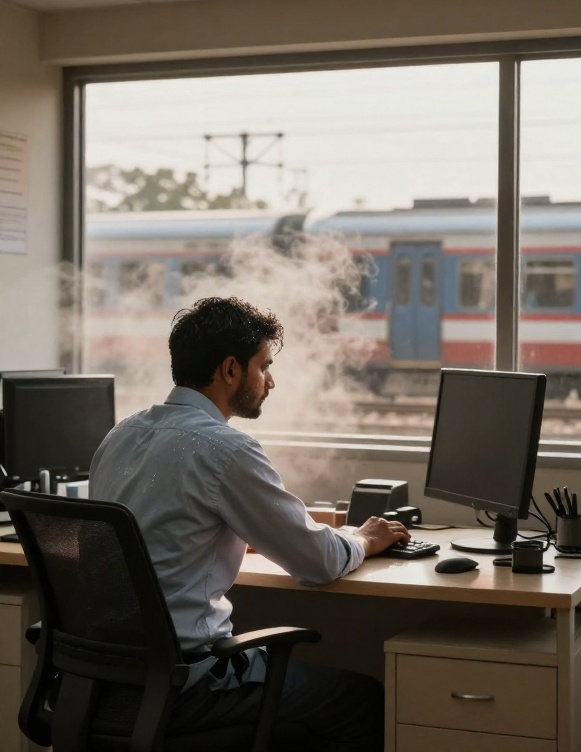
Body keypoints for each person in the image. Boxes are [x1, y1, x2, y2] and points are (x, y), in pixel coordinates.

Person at [88, 296, 410, 750]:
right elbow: (318, 563)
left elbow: (160, 533)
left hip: (103, 683)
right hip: (188, 685)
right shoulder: (225, 450)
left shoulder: (120, 435)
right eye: (264, 365)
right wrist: (361, 538)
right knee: (363, 700)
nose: (271, 380)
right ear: (230, 370)